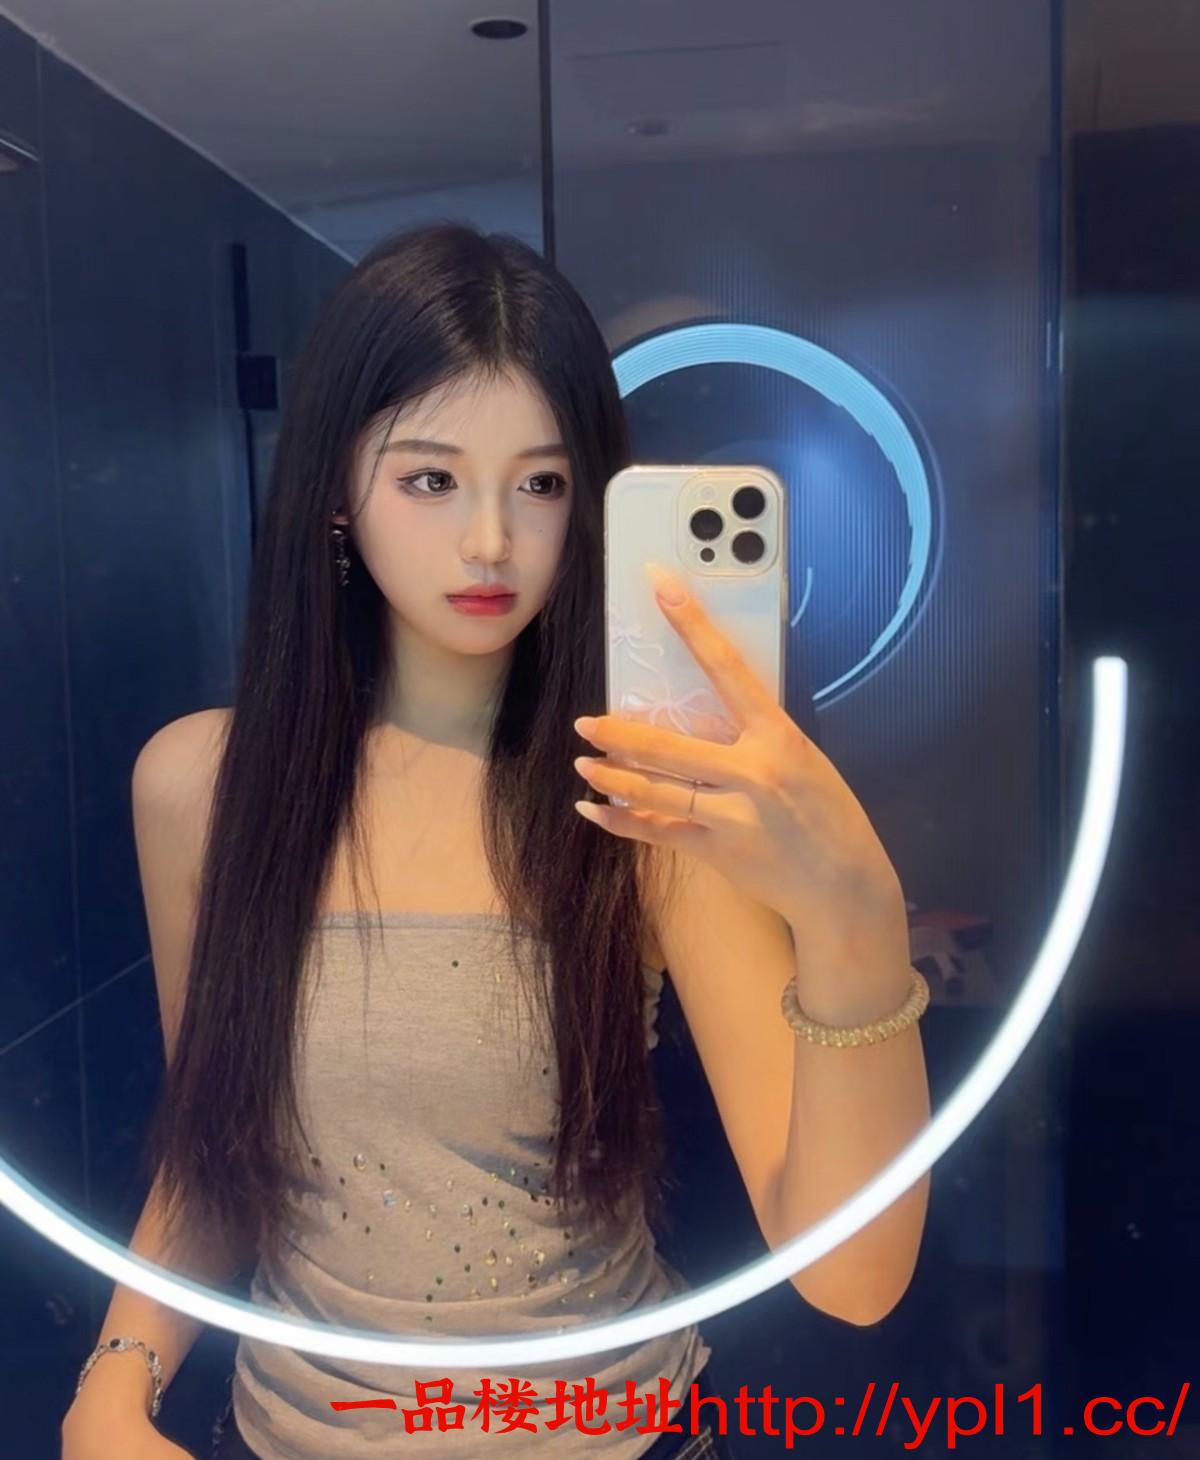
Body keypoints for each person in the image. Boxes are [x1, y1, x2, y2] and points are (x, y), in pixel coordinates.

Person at [60, 221, 743, 1459]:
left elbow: (842, 1238)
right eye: (431, 479)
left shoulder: (633, 795)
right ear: (338, 488)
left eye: (540, 483)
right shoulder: (202, 786)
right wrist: (116, 1376)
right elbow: (215, 1149)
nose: (489, 541)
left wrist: (848, 904)